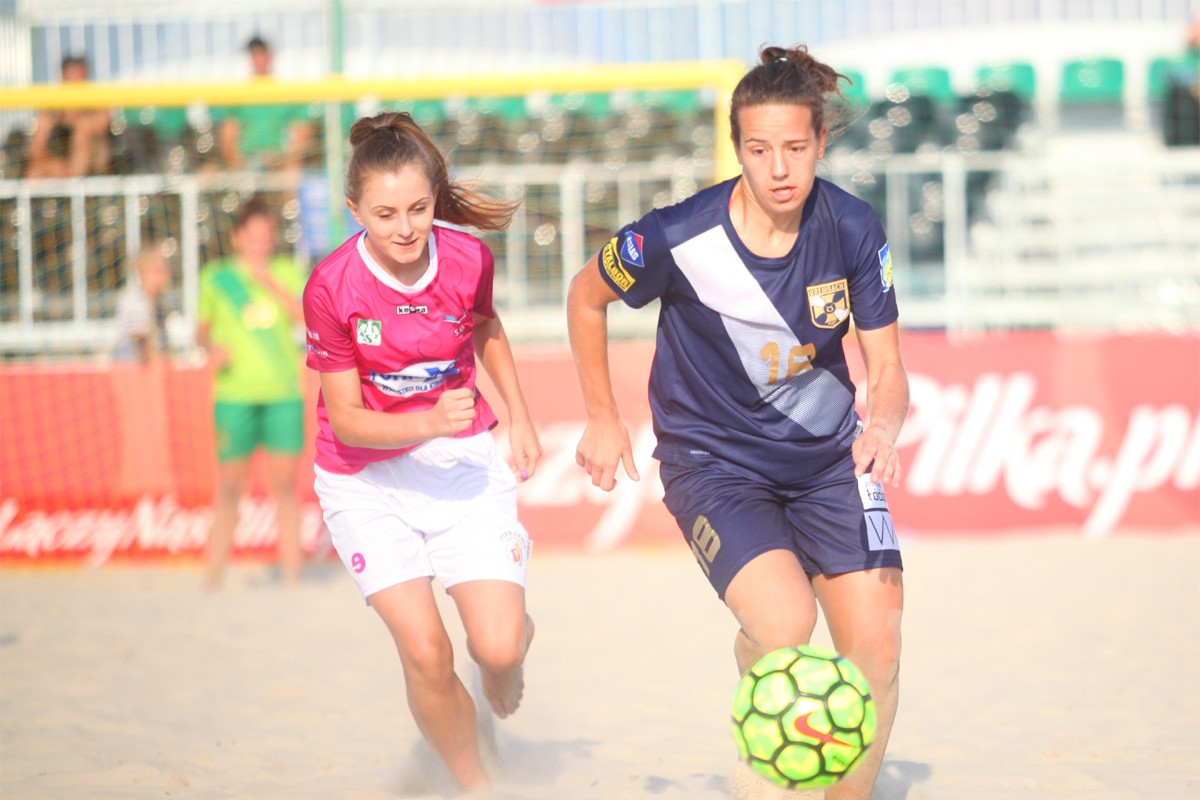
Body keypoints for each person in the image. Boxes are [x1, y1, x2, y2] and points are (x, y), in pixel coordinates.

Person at [567, 44, 909, 800]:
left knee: (878, 651)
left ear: (821, 141)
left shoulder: (852, 226)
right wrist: (601, 415)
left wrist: (883, 426)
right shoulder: (676, 235)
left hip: (830, 461)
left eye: (795, 148)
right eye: (759, 149)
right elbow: (584, 296)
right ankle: (763, 666)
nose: (779, 168)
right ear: (737, 148)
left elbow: (888, 369)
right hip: (715, 465)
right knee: (786, 629)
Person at [302, 111, 541, 793]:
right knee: (428, 653)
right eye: (384, 215)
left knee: (497, 647)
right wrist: (429, 421)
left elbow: (486, 326)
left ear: (435, 198)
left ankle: (505, 660)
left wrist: (520, 415)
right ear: (354, 212)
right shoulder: (330, 287)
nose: (405, 228)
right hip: (365, 482)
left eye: (418, 208)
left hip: (459, 465)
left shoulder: (467, 258)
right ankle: (476, 783)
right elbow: (348, 422)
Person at [197, 196, 307, 588]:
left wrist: (268, 282)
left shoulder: (287, 271)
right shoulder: (216, 277)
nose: (261, 243)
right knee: (229, 487)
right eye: (254, 235)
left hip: (282, 394)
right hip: (234, 396)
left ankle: (293, 578)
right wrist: (211, 348)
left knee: (285, 487)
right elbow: (200, 331)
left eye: (267, 235)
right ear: (238, 237)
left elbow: (305, 318)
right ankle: (213, 578)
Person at [215, 34, 316, 172]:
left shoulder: (287, 93)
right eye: (254, 54)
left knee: (292, 171)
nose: (258, 59)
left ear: (270, 56)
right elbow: (228, 133)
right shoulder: (239, 94)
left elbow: (302, 132)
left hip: (280, 163)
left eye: (261, 53)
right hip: (247, 164)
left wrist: (284, 161)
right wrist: (240, 166)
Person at [26, 54, 111, 178]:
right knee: (35, 174)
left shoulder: (97, 98)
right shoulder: (52, 104)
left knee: (83, 130)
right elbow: (37, 147)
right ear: (63, 76)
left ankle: (74, 181)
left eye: (79, 76)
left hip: (94, 159)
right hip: (61, 163)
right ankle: (70, 179)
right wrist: (53, 165)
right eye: (72, 76)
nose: (76, 81)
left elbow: (102, 124)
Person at [112, 244, 171, 363]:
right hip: (133, 371)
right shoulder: (136, 301)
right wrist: (158, 366)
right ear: (142, 273)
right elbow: (140, 339)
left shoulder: (156, 303)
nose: (165, 276)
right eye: (158, 271)